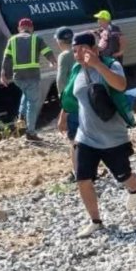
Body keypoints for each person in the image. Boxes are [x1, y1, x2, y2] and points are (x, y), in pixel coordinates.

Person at [66, 32, 136, 238]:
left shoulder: (111, 65)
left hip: (113, 138)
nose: (79, 54)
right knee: (83, 178)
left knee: (125, 177)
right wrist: (63, 115)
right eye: (75, 51)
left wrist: (98, 64)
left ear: (95, 49)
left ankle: (134, 189)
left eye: (83, 49)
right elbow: (72, 96)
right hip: (86, 137)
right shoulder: (76, 71)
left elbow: (120, 85)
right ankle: (95, 221)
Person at [1, 18, 57, 141]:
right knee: (32, 104)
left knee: (26, 94)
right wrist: (53, 61)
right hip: (32, 76)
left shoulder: (12, 40)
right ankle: (30, 132)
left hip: (18, 78)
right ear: (31, 28)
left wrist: (3, 74)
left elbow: (7, 58)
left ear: (19, 29)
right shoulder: (36, 38)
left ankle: (21, 115)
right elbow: (47, 52)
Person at [54, 27, 79, 181]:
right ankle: (92, 169)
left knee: (74, 139)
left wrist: (63, 107)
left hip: (72, 102)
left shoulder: (64, 55)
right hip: (85, 100)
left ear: (59, 41)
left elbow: (61, 81)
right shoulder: (80, 51)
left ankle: (78, 172)